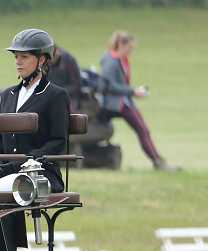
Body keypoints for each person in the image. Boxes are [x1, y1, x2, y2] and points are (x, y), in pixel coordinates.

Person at [0, 29, 70, 195]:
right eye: (16, 57)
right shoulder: (8, 95)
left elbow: (58, 141)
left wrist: (23, 162)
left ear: (41, 60)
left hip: (40, 173)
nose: (18, 62)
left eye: (24, 57)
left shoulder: (56, 95)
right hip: (5, 172)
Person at [100, 30, 179, 171]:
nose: (130, 51)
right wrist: (132, 91)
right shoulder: (111, 61)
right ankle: (158, 162)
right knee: (142, 130)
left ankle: (158, 161)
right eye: (129, 48)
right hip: (117, 103)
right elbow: (109, 85)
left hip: (125, 101)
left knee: (143, 130)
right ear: (120, 44)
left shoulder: (121, 60)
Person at [49, 44, 82, 112]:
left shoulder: (69, 61)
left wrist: (59, 93)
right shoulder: (42, 63)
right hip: (49, 95)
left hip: (68, 96)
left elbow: (76, 86)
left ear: (57, 53)